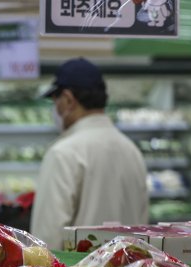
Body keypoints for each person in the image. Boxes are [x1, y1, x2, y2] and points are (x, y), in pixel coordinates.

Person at [31, 58, 148, 249]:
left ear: (68, 99)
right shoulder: (132, 151)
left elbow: (46, 240)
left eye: (55, 101)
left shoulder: (63, 153)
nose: (55, 109)